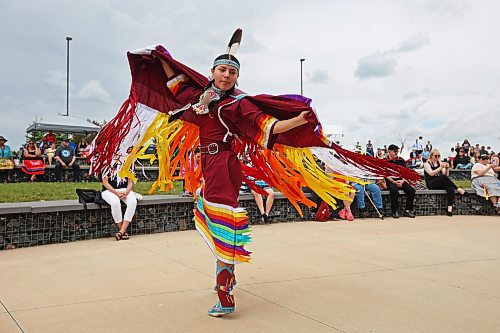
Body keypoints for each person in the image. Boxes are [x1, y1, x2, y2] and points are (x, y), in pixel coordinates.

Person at [89, 30, 419, 317]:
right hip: (210, 167)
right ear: (213, 72)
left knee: (221, 225)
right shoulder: (200, 98)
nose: (227, 75)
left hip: (223, 166)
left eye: (232, 71)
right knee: (211, 219)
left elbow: (269, 128)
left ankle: (225, 292)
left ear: (237, 76)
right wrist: (163, 58)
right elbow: (176, 85)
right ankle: (224, 278)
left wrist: (301, 121)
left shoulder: (239, 105)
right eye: (222, 70)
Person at [424, 149, 468, 216]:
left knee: (450, 189)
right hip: (431, 183)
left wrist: (447, 168)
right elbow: (431, 173)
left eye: (439, 156)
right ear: (431, 156)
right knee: (443, 177)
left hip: (439, 183)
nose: (437, 157)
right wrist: (440, 168)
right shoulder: (427, 164)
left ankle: (449, 209)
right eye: (436, 156)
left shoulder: (439, 163)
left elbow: (446, 175)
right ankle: (458, 189)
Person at [101, 175, 137, 240]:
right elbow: (105, 183)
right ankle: (122, 230)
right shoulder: (106, 165)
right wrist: (117, 193)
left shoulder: (129, 165)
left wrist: (126, 193)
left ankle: (121, 231)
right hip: (108, 190)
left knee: (132, 202)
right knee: (115, 203)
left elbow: (130, 182)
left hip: (125, 189)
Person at [385, 144, 416, 218]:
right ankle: (394, 211)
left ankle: (408, 210)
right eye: (394, 151)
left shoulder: (401, 160)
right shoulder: (385, 161)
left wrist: (402, 180)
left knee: (411, 190)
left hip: (401, 179)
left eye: (397, 151)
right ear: (389, 152)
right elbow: (384, 174)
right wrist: (393, 181)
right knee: (394, 190)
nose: (396, 153)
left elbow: (405, 173)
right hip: (390, 180)